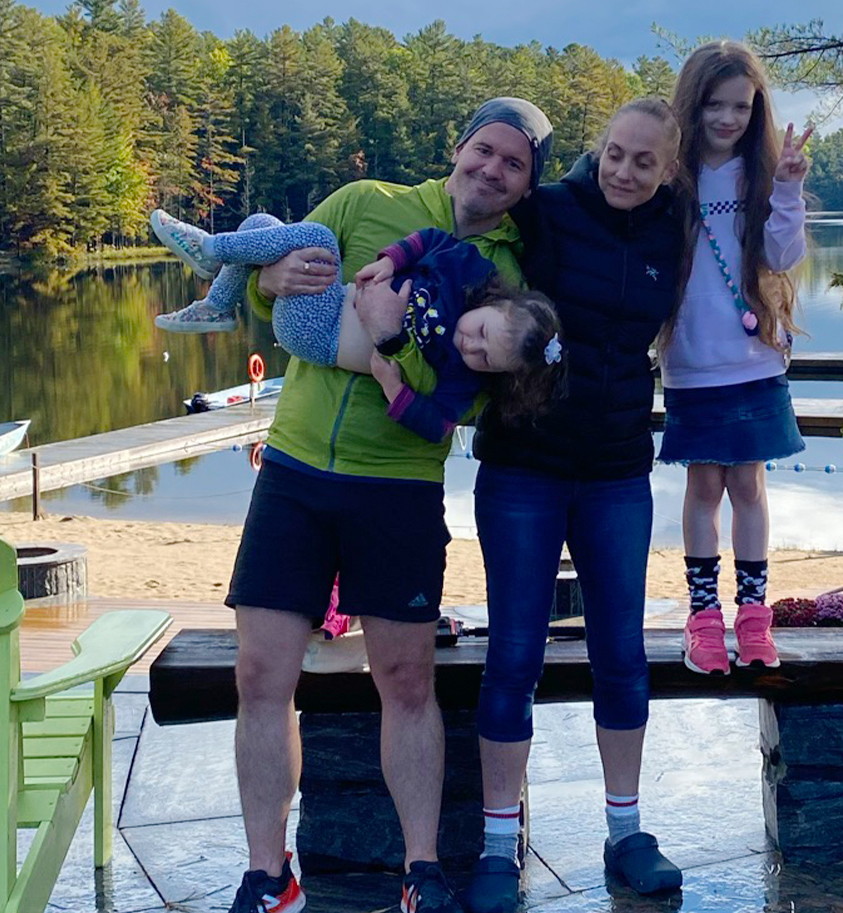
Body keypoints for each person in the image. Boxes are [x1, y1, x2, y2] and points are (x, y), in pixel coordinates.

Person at [220, 98, 553, 913]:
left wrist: (393, 343)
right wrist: (267, 281)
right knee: (262, 673)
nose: (492, 170)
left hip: (399, 487)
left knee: (406, 679)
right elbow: (275, 299)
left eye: (514, 164)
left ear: (526, 184)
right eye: (484, 150)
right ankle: (271, 876)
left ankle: (421, 870)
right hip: (295, 469)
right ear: (458, 145)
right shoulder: (366, 202)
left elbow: (471, 404)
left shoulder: (508, 275)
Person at [463, 98, 687, 913]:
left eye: (644, 162)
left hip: (620, 468)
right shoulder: (548, 211)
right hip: (524, 465)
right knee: (514, 654)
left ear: (668, 170)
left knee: (620, 652)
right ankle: (496, 844)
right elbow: (461, 210)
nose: (624, 172)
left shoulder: (677, 229)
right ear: (597, 150)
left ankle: (626, 832)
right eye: (614, 155)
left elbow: (751, 244)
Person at [659, 40, 811, 677]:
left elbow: (781, 257)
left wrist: (788, 189)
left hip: (753, 360)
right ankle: (702, 620)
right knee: (703, 487)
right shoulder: (670, 175)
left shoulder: (761, 174)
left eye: (741, 108)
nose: (727, 119)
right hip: (692, 362)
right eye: (715, 105)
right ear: (692, 106)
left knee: (748, 485)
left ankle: (753, 617)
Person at [150, 214, 565, 443]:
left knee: (317, 237)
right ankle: (217, 304)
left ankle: (209, 249)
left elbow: (436, 426)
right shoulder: (468, 274)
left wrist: (394, 390)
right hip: (331, 302)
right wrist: (389, 262)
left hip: (319, 333)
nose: (470, 346)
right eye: (482, 333)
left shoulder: (462, 380)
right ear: (496, 303)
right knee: (261, 226)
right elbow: (432, 240)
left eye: (487, 360)